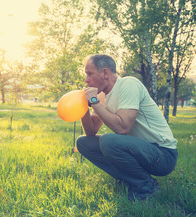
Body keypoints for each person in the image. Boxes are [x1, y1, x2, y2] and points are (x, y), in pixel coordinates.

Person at [76, 54, 178, 201]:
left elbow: (123, 128)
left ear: (105, 73)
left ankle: (146, 186)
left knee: (109, 141)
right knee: (83, 143)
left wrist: (94, 101)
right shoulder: (102, 97)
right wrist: (83, 106)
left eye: (89, 74)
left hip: (162, 154)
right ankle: (129, 179)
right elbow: (90, 132)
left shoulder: (128, 84)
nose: (86, 80)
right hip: (140, 152)